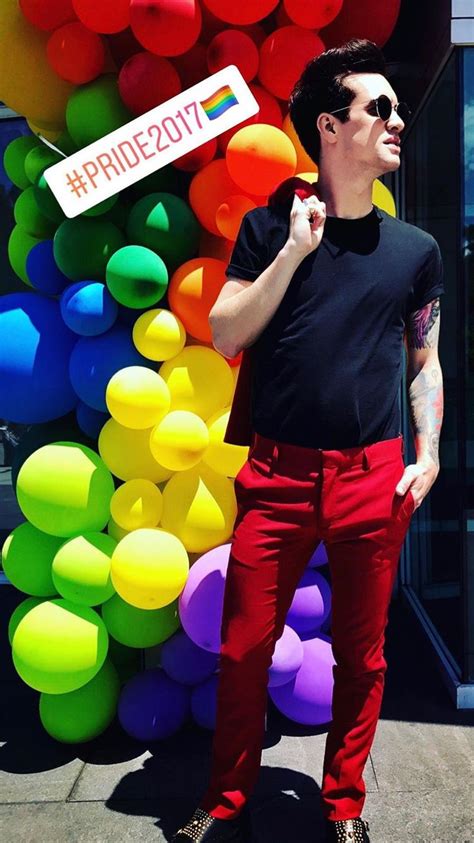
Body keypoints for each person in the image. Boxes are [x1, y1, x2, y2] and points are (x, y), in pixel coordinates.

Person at [171, 38, 444, 843]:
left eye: (398, 109)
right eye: (379, 108)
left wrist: (428, 452)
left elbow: (424, 361)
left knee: (364, 657)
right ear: (330, 126)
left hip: (373, 476)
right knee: (244, 645)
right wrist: (295, 248)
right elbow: (225, 333)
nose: (398, 121)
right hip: (278, 477)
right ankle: (225, 801)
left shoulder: (416, 251)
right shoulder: (267, 229)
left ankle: (345, 806)